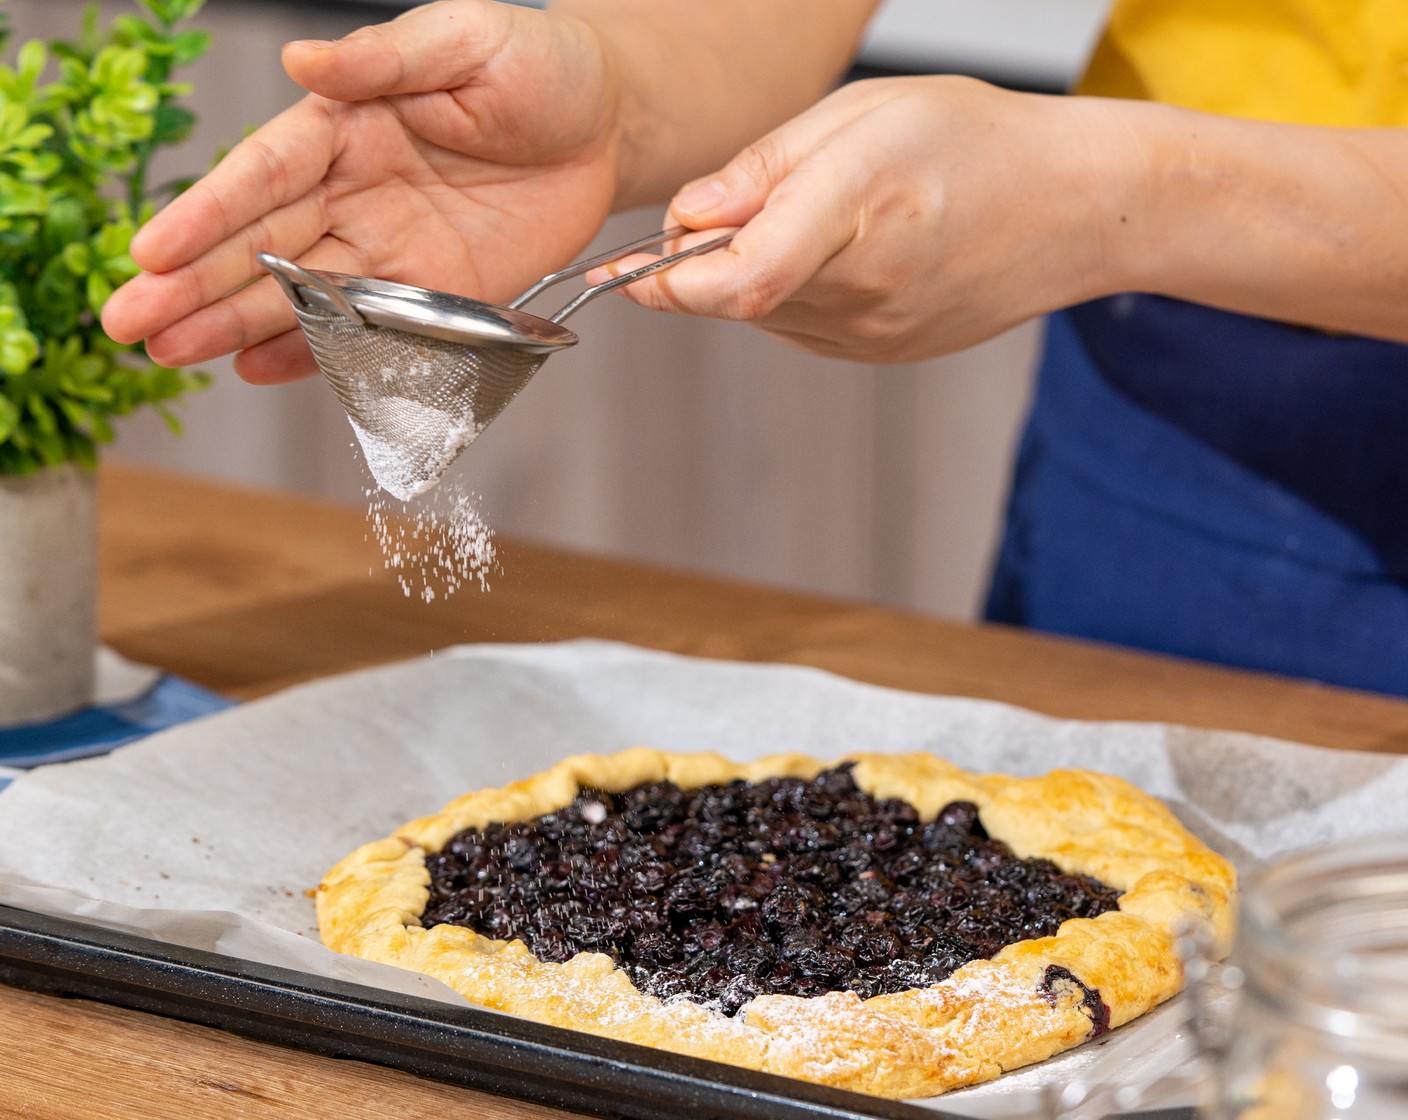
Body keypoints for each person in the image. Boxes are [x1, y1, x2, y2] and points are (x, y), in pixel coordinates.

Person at [102, 1, 1408, 695]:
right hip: (1164, 412)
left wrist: (1115, 193)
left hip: (1139, 236)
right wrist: (623, 91)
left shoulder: (1116, 196)